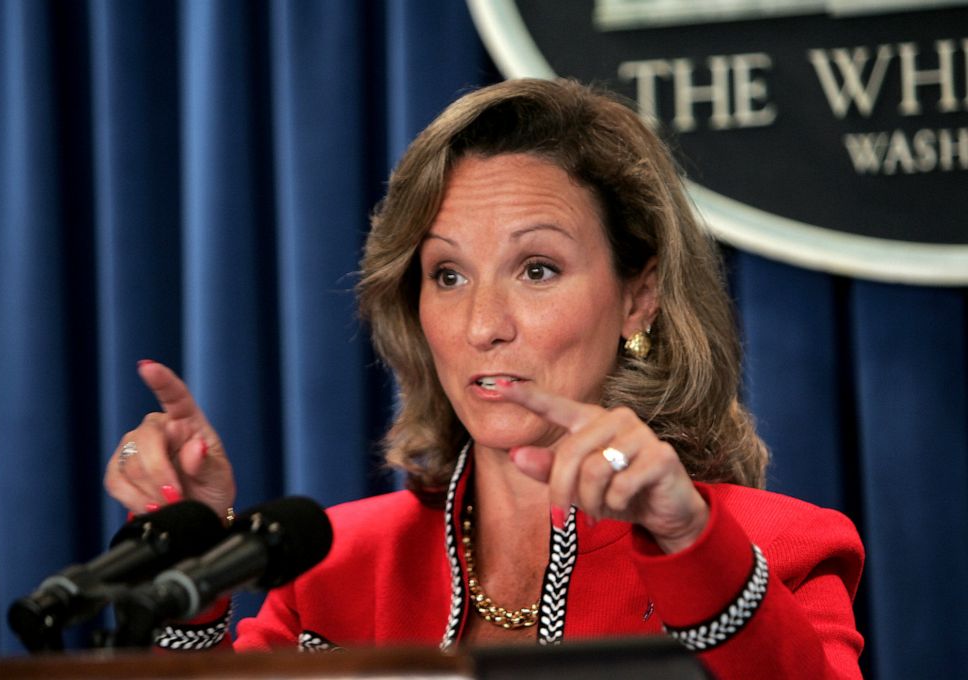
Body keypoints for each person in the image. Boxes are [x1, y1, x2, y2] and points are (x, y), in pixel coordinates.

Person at [104, 78, 864, 678]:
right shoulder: (333, 564)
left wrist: (687, 541)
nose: (481, 325)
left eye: (536, 269)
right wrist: (189, 567)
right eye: (448, 275)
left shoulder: (782, 550)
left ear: (639, 295)